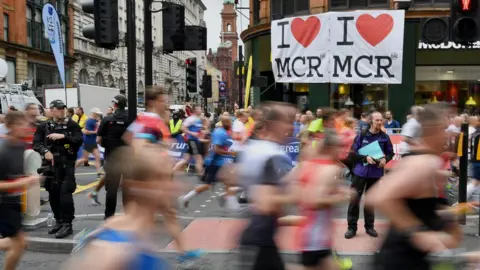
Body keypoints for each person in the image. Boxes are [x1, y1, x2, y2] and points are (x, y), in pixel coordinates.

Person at [366, 104, 464, 270]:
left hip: (412, 259)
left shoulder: (430, 161)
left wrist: (447, 216)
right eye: (444, 129)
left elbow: (420, 206)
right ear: (432, 131)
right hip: (399, 261)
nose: (448, 136)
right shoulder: (422, 163)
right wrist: (416, 232)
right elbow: (378, 197)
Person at [62, 146, 178, 270]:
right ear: (143, 187)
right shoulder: (117, 249)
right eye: (163, 179)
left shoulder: (131, 229)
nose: (174, 187)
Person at [235, 102, 297, 270]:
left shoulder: (254, 148)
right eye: (288, 121)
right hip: (259, 239)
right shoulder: (272, 154)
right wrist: (302, 195)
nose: (291, 127)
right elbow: (266, 203)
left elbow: (229, 175)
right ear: (273, 124)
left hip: (261, 236)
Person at [297, 131, 353, 270]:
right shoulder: (330, 169)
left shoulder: (311, 164)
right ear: (329, 148)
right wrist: (342, 196)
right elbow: (315, 201)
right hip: (316, 238)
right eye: (339, 146)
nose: (342, 150)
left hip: (313, 236)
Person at [33, 100, 83, 239]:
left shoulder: (71, 124)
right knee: (53, 194)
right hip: (51, 165)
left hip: (66, 163)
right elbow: (36, 143)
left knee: (65, 193)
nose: (62, 111)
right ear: (53, 110)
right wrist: (45, 152)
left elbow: (79, 140)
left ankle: (67, 224)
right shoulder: (45, 126)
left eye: (63, 109)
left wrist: (64, 137)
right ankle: (59, 221)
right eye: (59, 109)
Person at [0, 111, 40, 270]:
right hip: (3, 204)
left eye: (27, 124)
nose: (26, 127)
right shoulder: (4, 151)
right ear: (10, 127)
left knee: (19, 243)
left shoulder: (20, 146)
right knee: (19, 243)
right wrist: (25, 181)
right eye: (21, 124)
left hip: (13, 203)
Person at [345, 111, 394, 239]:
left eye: (381, 120)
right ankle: (351, 228)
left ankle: (370, 227)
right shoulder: (361, 135)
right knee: (354, 200)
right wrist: (365, 158)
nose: (379, 122)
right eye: (377, 120)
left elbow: (390, 153)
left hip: (375, 173)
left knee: (370, 201)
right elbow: (352, 154)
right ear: (371, 121)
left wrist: (385, 160)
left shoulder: (385, 137)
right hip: (359, 172)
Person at [178, 116, 235, 210]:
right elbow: (216, 149)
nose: (231, 123)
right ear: (225, 122)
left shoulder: (223, 132)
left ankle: (230, 204)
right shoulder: (220, 133)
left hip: (221, 162)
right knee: (209, 185)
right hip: (215, 164)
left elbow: (212, 146)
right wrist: (231, 153)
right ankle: (185, 198)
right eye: (229, 121)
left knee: (228, 182)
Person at [94, 95, 131, 216]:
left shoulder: (107, 119)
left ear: (114, 105)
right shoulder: (131, 119)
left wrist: (108, 143)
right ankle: (129, 216)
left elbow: (98, 140)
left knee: (111, 189)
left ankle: (109, 217)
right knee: (127, 188)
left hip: (112, 157)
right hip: (127, 158)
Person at [172, 105, 205, 176]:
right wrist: (192, 133)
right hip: (192, 141)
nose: (201, 110)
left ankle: (172, 172)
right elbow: (182, 128)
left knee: (185, 160)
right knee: (199, 159)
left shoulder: (198, 119)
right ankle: (203, 179)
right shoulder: (191, 119)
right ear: (195, 110)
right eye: (199, 109)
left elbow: (198, 130)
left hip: (195, 141)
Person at [75, 108, 103, 179]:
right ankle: (71, 169)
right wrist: (96, 132)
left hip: (92, 141)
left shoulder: (94, 120)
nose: (98, 115)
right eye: (97, 113)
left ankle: (99, 174)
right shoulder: (89, 121)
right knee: (84, 159)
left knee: (97, 157)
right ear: (94, 114)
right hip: (89, 141)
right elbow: (86, 131)